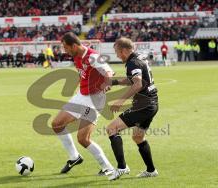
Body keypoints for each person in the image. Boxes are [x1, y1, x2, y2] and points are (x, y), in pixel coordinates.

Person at [51, 32, 114, 175]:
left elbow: (108, 71)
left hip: (94, 100)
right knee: (56, 124)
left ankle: (108, 167)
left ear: (74, 45)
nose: (65, 51)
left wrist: (107, 82)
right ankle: (74, 157)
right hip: (81, 96)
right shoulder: (76, 56)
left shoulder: (92, 55)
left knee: (83, 139)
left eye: (66, 48)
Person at [106, 37, 159, 180]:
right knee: (137, 137)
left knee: (111, 129)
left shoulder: (132, 62)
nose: (117, 55)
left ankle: (122, 167)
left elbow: (137, 84)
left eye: (117, 52)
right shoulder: (138, 58)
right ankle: (151, 170)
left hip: (144, 105)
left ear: (124, 50)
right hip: (152, 104)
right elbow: (133, 79)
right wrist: (115, 81)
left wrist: (120, 100)